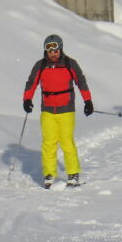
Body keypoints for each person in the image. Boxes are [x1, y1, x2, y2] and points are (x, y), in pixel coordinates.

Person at [22, 33, 94, 188]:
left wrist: (88, 101)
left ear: (60, 49)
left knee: (67, 142)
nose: (52, 53)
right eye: (49, 50)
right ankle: (49, 174)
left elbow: (81, 82)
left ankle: (73, 173)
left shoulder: (70, 63)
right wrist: (27, 99)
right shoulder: (40, 65)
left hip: (66, 109)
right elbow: (31, 83)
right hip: (47, 110)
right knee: (48, 143)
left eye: (55, 50)